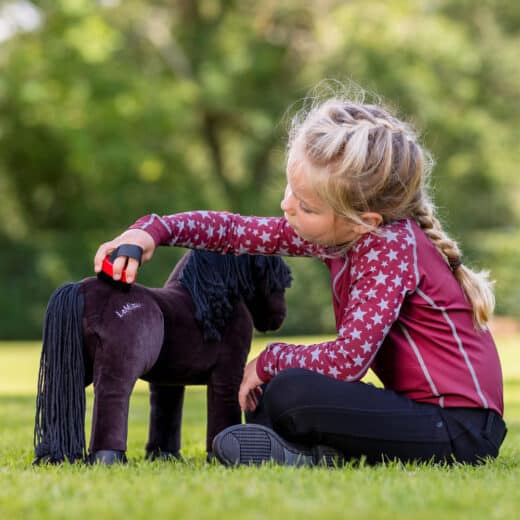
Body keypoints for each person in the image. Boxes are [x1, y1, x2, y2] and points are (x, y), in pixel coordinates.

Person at [94, 92, 507, 466]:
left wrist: (268, 359)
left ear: (364, 221)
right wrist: (152, 230)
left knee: (289, 391)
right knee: (266, 400)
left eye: (305, 205)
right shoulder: (344, 235)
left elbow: (348, 361)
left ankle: (313, 454)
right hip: (418, 415)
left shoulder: (389, 247)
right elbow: (236, 232)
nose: (286, 206)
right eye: (290, 189)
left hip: (460, 430)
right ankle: (313, 455)